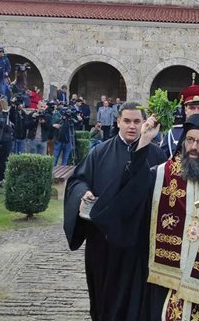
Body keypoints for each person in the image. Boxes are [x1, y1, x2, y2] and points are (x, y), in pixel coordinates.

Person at [89, 113, 199, 320]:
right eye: (190, 140)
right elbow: (130, 189)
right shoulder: (162, 174)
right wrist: (144, 141)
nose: (194, 147)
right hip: (167, 278)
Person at [63, 102, 167, 321]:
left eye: (137, 121)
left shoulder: (156, 155)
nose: (132, 126)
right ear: (117, 121)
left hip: (139, 242)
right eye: (127, 121)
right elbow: (77, 181)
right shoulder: (99, 152)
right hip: (104, 242)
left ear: (144, 123)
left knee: (139, 298)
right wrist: (84, 193)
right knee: (105, 296)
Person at [161, 80, 199, 158]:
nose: (196, 112)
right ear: (185, 110)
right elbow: (160, 159)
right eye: (192, 108)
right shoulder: (173, 132)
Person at [0, 98, 14, 186]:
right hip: (3, 139)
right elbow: (3, 126)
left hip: (7, 139)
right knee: (2, 160)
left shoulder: (5, 116)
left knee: (5, 159)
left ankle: (2, 177)